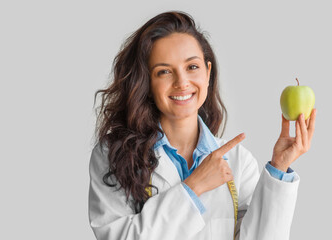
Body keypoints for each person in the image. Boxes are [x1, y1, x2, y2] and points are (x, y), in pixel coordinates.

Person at [89, 11, 316, 240]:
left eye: (192, 67)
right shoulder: (114, 155)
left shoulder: (238, 161)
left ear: (208, 73)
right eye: (164, 71)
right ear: (146, 82)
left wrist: (279, 167)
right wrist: (192, 188)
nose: (182, 83)